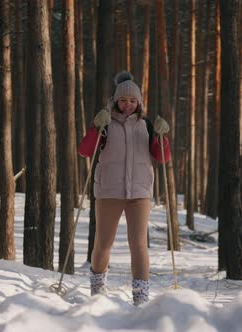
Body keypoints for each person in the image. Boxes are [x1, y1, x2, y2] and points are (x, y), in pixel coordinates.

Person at [77, 71, 171, 306]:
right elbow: (85, 151)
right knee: (103, 243)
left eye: (132, 101)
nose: (128, 105)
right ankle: (97, 289)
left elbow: (162, 157)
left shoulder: (147, 126)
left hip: (139, 193)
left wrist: (162, 137)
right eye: (123, 100)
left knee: (139, 245)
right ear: (115, 101)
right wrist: (94, 127)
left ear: (139, 102)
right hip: (109, 191)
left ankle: (141, 296)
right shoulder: (106, 124)